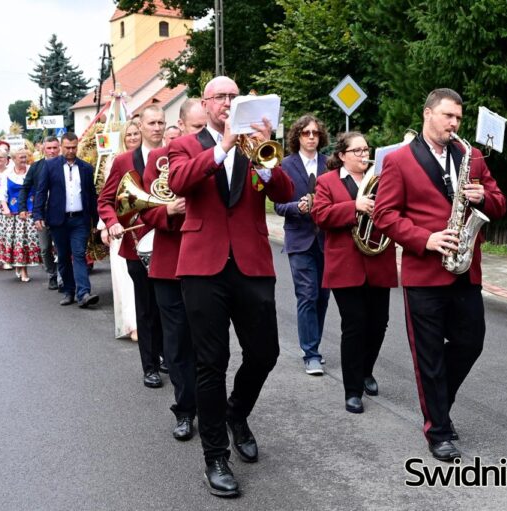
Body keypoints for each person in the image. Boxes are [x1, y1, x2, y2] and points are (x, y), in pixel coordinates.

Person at [167, 76, 293, 497]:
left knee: (265, 353)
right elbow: (181, 182)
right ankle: (216, 457)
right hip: (203, 265)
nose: (227, 102)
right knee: (211, 362)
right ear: (204, 104)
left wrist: (266, 156)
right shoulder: (187, 144)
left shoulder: (257, 145)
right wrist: (221, 145)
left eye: (233, 97)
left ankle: (237, 413)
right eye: (220, 97)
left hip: (251, 262)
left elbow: (285, 193)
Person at [373, 88, 507, 461]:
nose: (454, 124)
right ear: (428, 113)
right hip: (424, 273)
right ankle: (439, 431)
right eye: (448, 116)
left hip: (465, 270)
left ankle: (437, 404)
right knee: (428, 354)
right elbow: (384, 215)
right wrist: (426, 239)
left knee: (471, 341)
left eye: (459, 119)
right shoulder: (399, 160)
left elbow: (499, 202)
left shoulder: (472, 156)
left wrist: (482, 197)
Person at [311, 131, 399, 413]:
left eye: (366, 150)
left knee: (379, 323)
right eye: (357, 151)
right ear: (342, 156)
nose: (364, 155)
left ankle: (365, 370)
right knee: (354, 324)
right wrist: (354, 206)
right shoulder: (326, 182)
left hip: (378, 259)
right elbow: (320, 215)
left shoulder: (383, 180)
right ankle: (352, 390)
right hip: (346, 265)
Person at [138, 98, 207, 441]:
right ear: (178, 126)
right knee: (177, 344)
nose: (200, 134)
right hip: (170, 263)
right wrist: (169, 210)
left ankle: (211, 407)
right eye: (195, 127)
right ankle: (185, 410)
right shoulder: (157, 160)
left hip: (207, 263)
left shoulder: (217, 157)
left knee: (209, 344)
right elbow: (144, 210)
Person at [98, 106, 165, 388]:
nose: (157, 127)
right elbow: (106, 199)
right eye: (152, 123)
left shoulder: (174, 154)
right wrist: (112, 222)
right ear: (141, 125)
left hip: (170, 242)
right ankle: (150, 365)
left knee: (171, 308)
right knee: (147, 308)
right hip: (137, 241)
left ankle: (170, 358)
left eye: (162, 122)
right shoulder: (125, 160)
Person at [274, 114, 331, 376]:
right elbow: (277, 205)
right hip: (299, 239)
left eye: (315, 133)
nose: (311, 137)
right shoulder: (286, 165)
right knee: (307, 294)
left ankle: (314, 344)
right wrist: (297, 207)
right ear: (297, 136)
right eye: (306, 133)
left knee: (322, 297)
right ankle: (311, 353)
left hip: (326, 240)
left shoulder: (329, 163)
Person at [33, 132, 100, 308]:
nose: (70, 151)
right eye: (67, 147)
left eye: (73, 147)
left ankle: (84, 293)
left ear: (77, 146)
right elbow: (41, 192)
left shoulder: (86, 168)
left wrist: (97, 219)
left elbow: (91, 196)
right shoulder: (50, 166)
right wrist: (38, 215)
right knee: (63, 257)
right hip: (58, 220)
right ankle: (69, 291)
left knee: (79, 254)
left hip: (80, 220)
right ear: (62, 147)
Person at [98, 120, 140, 340]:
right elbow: (106, 197)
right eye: (129, 135)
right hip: (121, 228)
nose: (133, 138)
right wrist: (106, 225)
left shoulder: (153, 158)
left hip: (146, 227)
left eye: (136, 134)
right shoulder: (117, 162)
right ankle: (132, 325)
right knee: (125, 278)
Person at [19, 136, 61, 290]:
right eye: (49, 148)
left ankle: (63, 275)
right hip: (41, 214)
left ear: (59, 148)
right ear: (43, 148)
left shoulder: (65, 165)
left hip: (60, 213)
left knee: (61, 246)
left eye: (55, 148)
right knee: (44, 248)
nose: (52, 151)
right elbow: (25, 188)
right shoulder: (36, 167)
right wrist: (22, 207)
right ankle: (52, 274)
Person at [0, 148, 41, 282]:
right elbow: (2, 194)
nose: (24, 160)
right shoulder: (7, 174)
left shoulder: (33, 171)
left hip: (30, 212)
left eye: (25, 157)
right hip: (14, 214)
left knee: (27, 243)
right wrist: (5, 209)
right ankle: (22, 270)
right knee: (17, 243)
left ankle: (21, 266)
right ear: (14, 159)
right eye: (21, 157)